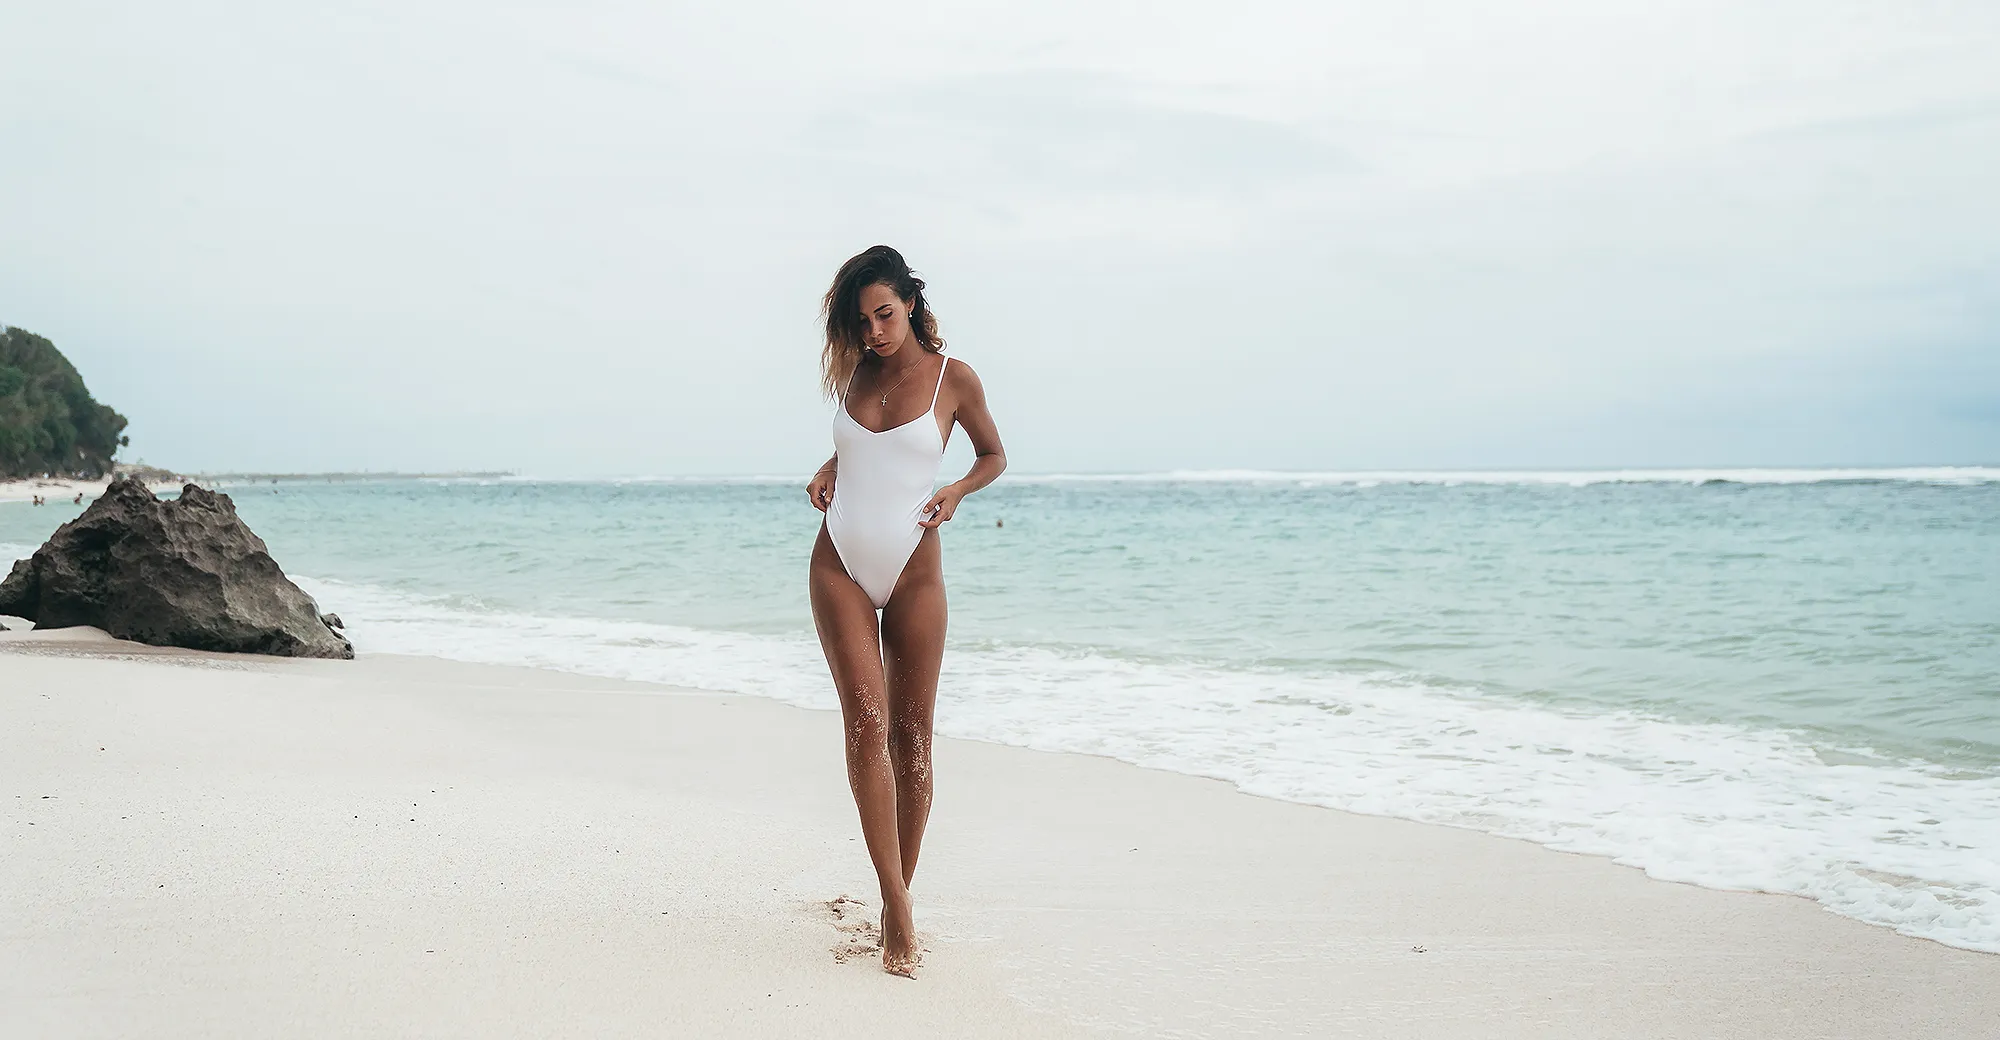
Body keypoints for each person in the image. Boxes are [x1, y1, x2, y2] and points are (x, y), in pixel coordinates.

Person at [805, 246, 1006, 977]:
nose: (874, 333)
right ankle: (897, 909)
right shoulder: (855, 371)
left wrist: (956, 491)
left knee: (913, 739)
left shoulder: (956, 379)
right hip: (840, 565)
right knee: (867, 724)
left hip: (916, 573)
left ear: (912, 305)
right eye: (861, 322)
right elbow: (861, 448)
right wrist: (830, 468)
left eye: (885, 315)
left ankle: (897, 894)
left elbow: (992, 455)